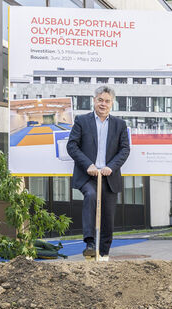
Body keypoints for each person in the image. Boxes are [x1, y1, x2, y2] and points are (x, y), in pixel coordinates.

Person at [67, 86, 130, 257]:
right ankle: (89, 243)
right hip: (88, 176)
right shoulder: (82, 121)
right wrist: (88, 164)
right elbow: (72, 146)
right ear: (94, 100)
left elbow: (125, 149)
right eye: (100, 100)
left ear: (112, 103)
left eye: (107, 101)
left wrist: (112, 166)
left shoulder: (120, 125)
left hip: (109, 176)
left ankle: (103, 254)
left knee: (108, 218)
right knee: (91, 196)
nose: (103, 104)